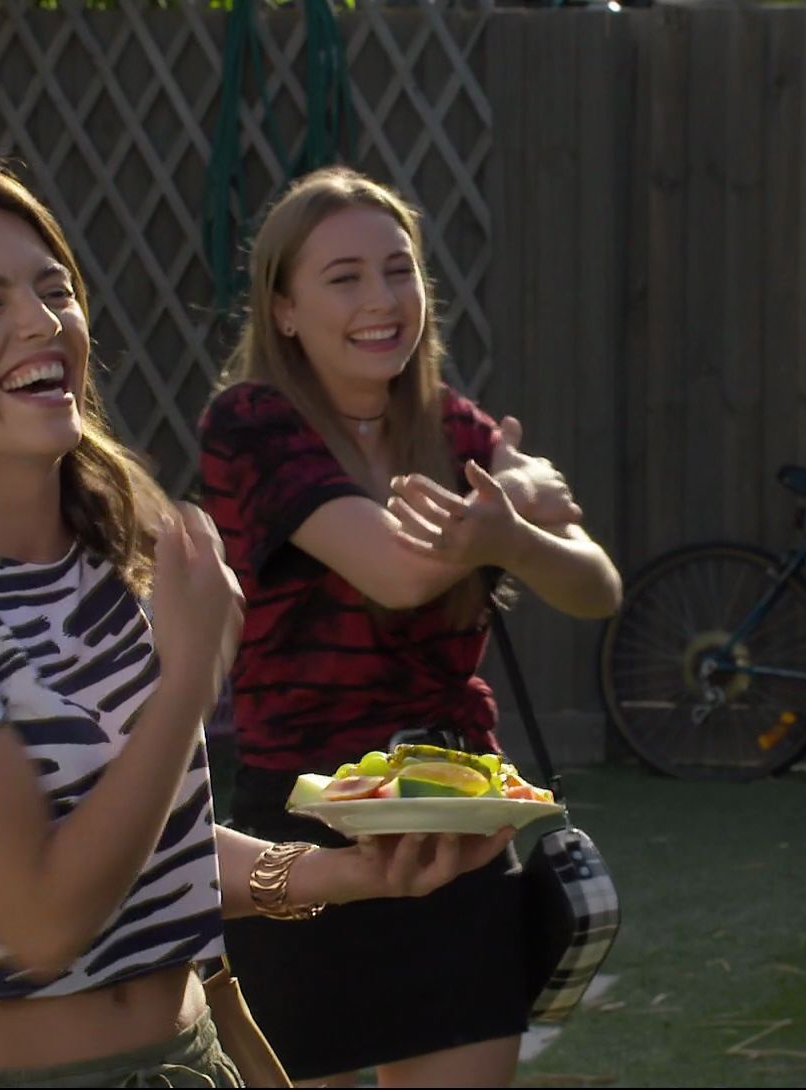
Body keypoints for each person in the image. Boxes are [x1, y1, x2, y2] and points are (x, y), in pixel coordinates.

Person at [0, 157, 515, 1088]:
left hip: (184, 1061)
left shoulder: (105, 555)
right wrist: (187, 680)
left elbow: (143, 837)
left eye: (55, 289)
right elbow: (43, 921)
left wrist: (344, 874)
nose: (41, 321)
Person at [197, 165, 624, 1088]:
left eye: (399, 270)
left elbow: (597, 587)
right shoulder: (251, 424)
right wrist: (511, 503)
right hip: (306, 831)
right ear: (283, 310)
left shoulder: (455, 428)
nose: (381, 299)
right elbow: (392, 572)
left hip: (466, 821)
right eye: (344, 277)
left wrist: (514, 535)